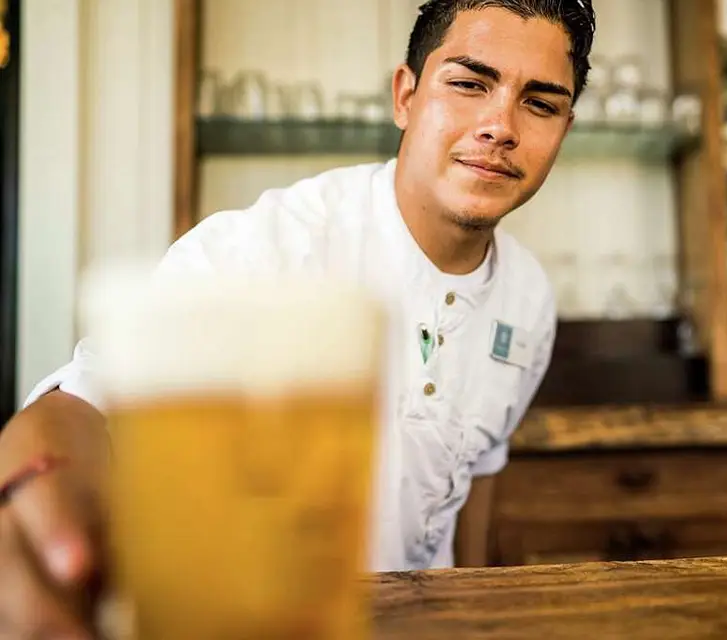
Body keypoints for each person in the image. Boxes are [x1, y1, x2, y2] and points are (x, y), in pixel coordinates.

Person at [0, 0, 595, 635]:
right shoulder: (265, 249)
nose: (500, 125)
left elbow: (476, 482)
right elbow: (83, 402)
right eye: (470, 83)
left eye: (540, 103)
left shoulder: (528, 297)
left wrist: (475, 616)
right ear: (405, 96)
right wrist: (28, 493)